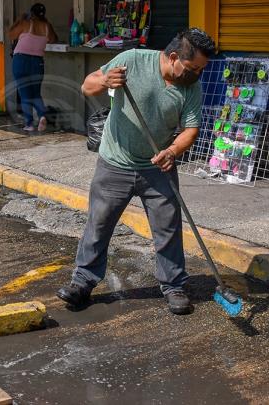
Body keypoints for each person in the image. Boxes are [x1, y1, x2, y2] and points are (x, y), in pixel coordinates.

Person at [56, 28, 216, 315]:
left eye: (201, 70)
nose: (197, 75)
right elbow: (87, 86)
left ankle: (173, 286)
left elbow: (191, 129)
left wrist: (172, 152)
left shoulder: (191, 87)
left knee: (168, 228)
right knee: (99, 224)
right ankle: (82, 283)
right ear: (174, 57)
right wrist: (106, 80)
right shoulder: (132, 59)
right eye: (193, 68)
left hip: (157, 167)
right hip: (115, 163)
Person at [7, 3, 58, 132]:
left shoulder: (25, 23)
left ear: (31, 13)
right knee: (36, 94)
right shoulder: (47, 26)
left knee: (25, 94)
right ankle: (42, 116)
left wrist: (20, 19)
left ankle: (29, 124)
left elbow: (11, 35)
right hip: (37, 62)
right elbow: (53, 39)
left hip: (21, 61)